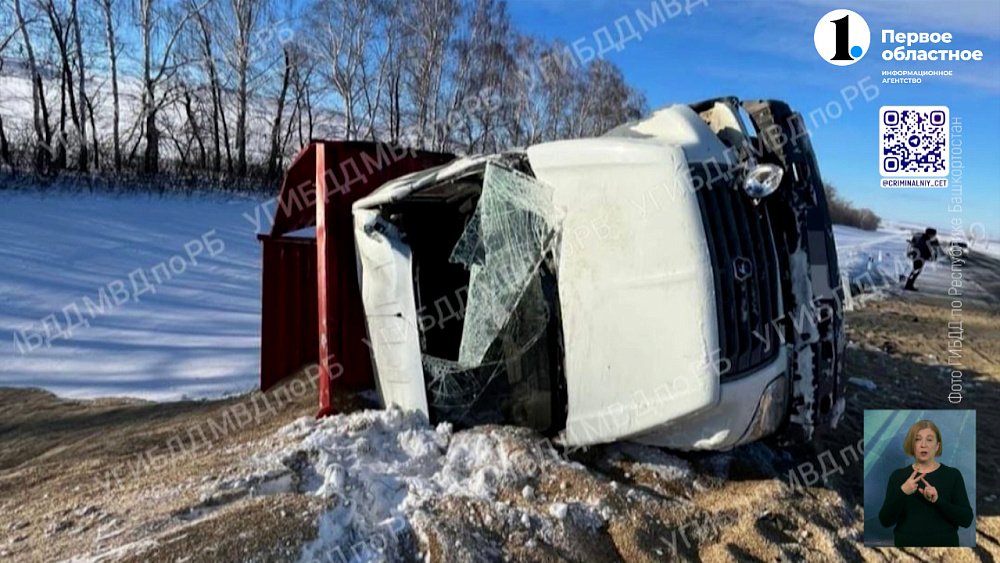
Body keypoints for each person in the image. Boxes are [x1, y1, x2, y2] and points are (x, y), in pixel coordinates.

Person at [878, 420, 974, 547]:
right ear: (912, 445)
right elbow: (885, 521)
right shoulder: (898, 476)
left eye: (929, 440)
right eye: (917, 439)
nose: (923, 445)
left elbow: (966, 520)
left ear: (937, 446)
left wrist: (938, 501)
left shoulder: (952, 475)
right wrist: (902, 492)